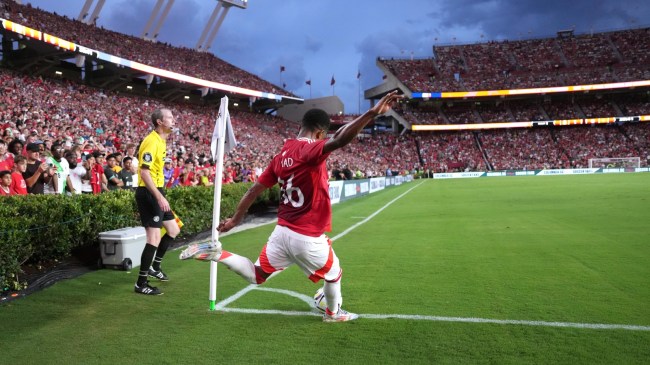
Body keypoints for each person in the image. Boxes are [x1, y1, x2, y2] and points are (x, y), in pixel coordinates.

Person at [180, 91, 403, 321]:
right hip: (306, 234)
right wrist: (371, 113)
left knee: (257, 275)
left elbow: (252, 190)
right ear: (320, 132)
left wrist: (235, 220)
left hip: (282, 232)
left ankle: (218, 254)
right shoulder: (309, 150)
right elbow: (339, 140)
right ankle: (332, 313)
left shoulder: (281, 155)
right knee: (334, 274)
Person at [133, 108, 180, 295]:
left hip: (156, 191)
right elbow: (144, 172)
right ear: (160, 122)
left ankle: (155, 267)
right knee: (153, 237)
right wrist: (159, 197)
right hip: (149, 192)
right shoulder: (152, 141)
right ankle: (141, 283)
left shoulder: (161, 140)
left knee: (173, 229)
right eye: (169, 117)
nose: (173, 120)